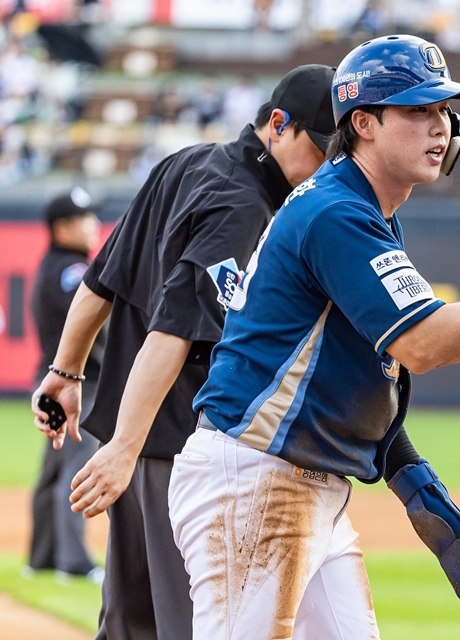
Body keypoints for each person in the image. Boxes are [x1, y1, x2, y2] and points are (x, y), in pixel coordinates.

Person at [167, 34, 460, 639]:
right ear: (363, 123)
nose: (441, 127)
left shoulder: (367, 209)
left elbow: (350, 365)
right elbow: (422, 343)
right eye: (418, 110)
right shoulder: (337, 211)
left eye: (443, 111)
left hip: (303, 479)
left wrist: (404, 467)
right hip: (258, 479)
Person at [31, 65, 338, 640]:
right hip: (179, 445)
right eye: (319, 150)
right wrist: (124, 448)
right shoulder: (245, 206)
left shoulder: (185, 162)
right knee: (186, 626)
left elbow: (102, 281)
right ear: (277, 124)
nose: (324, 167)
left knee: (128, 623)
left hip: (139, 433)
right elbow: (175, 329)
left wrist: (64, 372)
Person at [26, 187, 104, 585]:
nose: (92, 226)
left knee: (54, 473)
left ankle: (40, 558)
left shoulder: (52, 265)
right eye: (83, 219)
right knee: (75, 471)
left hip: (51, 381)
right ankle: (73, 562)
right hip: (76, 384)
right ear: (61, 227)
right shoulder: (73, 271)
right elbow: (97, 320)